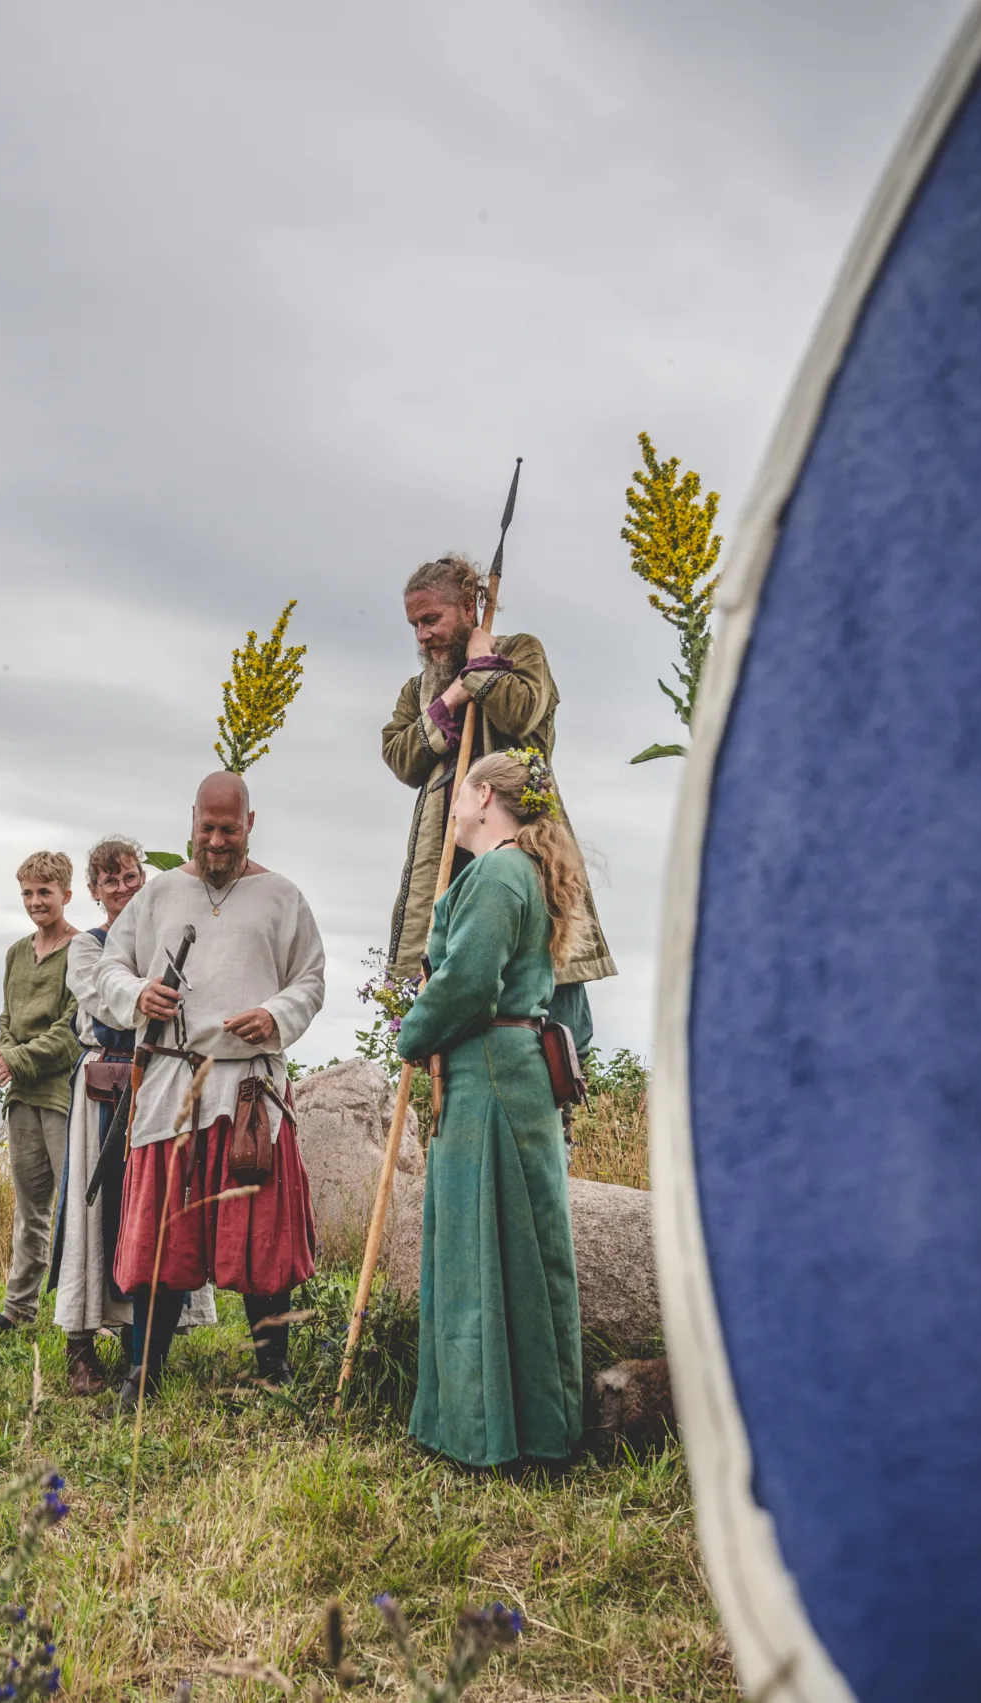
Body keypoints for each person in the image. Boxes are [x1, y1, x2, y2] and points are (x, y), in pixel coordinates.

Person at [91, 773, 326, 1408]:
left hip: (249, 1090)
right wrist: (137, 994)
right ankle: (141, 1373)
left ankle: (270, 1369)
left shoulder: (282, 897)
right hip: (171, 1082)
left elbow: (309, 980)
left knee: (262, 1236)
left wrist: (275, 1015)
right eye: (207, 828)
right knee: (162, 1234)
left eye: (230, 829)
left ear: (251, 823)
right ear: (191, 821)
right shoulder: (160, 894)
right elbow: (106, 967)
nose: (217, 841)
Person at [395, 750, 587, 1468]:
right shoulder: (512, 871)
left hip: (491, 1073)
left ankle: (491, 1431)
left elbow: (470, 981)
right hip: (501, 1070)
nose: (451, 803)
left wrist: (412, 1036)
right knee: (511, 1244)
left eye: (460, 789)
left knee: (489, 1244)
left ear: (483, 795)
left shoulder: (500, 871)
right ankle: (521, 1424)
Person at [381, 553, 615, 1057]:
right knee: (459, 994)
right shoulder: (417, 691)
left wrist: (481, 668)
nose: (422, 635)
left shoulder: (522, 653)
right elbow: (401, 758)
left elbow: (521, 714)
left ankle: (557, 1120)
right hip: (450, 861)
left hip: (526, 853)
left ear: (468, 606)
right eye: (414, 625)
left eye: (431, 619)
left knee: (552, 1014)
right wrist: (448, 703)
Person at [49, 837, 213, 1395]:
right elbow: (100, 996)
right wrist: (145, 994)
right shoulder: (87, 947)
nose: (122, 888)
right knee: (94, 1214)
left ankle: (140, 1343)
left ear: (143, 878)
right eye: (109, 881)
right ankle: (79, 1345)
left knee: (148, 1211)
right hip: (107, 1085)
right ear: (94, 893)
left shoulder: (165, 936)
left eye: (129, 876)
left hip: (164, 1083)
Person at [0, 852, 83, 1336]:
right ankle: (19, 1307)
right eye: (28, 893)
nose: (36, 902)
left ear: (67, 895)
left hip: (63, 1095)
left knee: (77, 1208)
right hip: (22, 1096)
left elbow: (72, 1030)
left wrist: (12, 1061)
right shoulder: (17, 952)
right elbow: (8, 1020)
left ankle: (86, 1312)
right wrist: (2, 1055)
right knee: (30, 1207)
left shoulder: (82, 951)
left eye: (45, 892)